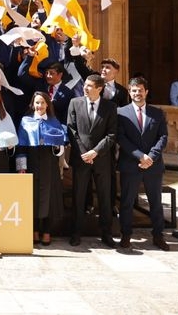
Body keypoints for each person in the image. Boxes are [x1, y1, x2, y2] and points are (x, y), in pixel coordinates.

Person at [117, 77, 170, 251]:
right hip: (131, 164)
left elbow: (163, 137)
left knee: (155, 202)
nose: (137, 93)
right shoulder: (121, 113)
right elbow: (121, 139)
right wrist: (140, 156)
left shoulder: (158, 113)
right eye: (133, 90)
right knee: (127, 202)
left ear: (146, 91)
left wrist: (151, 157)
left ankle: (158, 235)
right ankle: (126, 235)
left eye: (140, 90)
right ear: (129, 92)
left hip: (153, 166)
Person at [66, 74, 118, 248]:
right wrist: (84, 152)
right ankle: (76, 232)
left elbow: (112, 135)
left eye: (89, 86)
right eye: (85, 85)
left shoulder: (110, 107)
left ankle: (107, 233)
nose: (85, 88)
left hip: (102, 160)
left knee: (105, 197)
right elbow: (71, 129)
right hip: (81, 159)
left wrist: (95, 152)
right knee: (79, 196)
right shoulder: (75, 103)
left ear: (99, 88)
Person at [17, 92, 67, 246]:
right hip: (32, 161)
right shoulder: (26, 121)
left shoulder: (54, 121)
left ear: (47, 105)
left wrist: (58, 145)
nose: (39, 106)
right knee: (32, 197)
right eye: (37, 103)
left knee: (48, 198)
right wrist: (21, 167)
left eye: (42, 103)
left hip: (49, 162)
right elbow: (21, 146)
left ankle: (46, 231)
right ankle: (34, 230)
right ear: (33, 104)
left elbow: (60, 147)